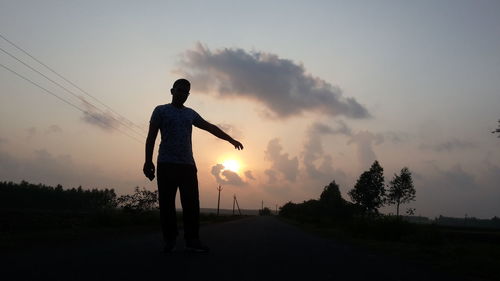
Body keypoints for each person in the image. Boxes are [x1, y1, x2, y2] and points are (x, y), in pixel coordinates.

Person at [143, 78, 243, 253]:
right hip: (166, 163)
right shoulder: (160, 110)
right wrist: (148, 161)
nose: (182, 94)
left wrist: (230, 139)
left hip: (187, 165)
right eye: (179, 90)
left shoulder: (190, 114)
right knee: (166, 205)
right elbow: (151, 136)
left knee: (191, 204)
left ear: (188, 95)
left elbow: (210, 127)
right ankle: (170, 240)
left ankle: (192, 240)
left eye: (185, 92)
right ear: (172, 91)